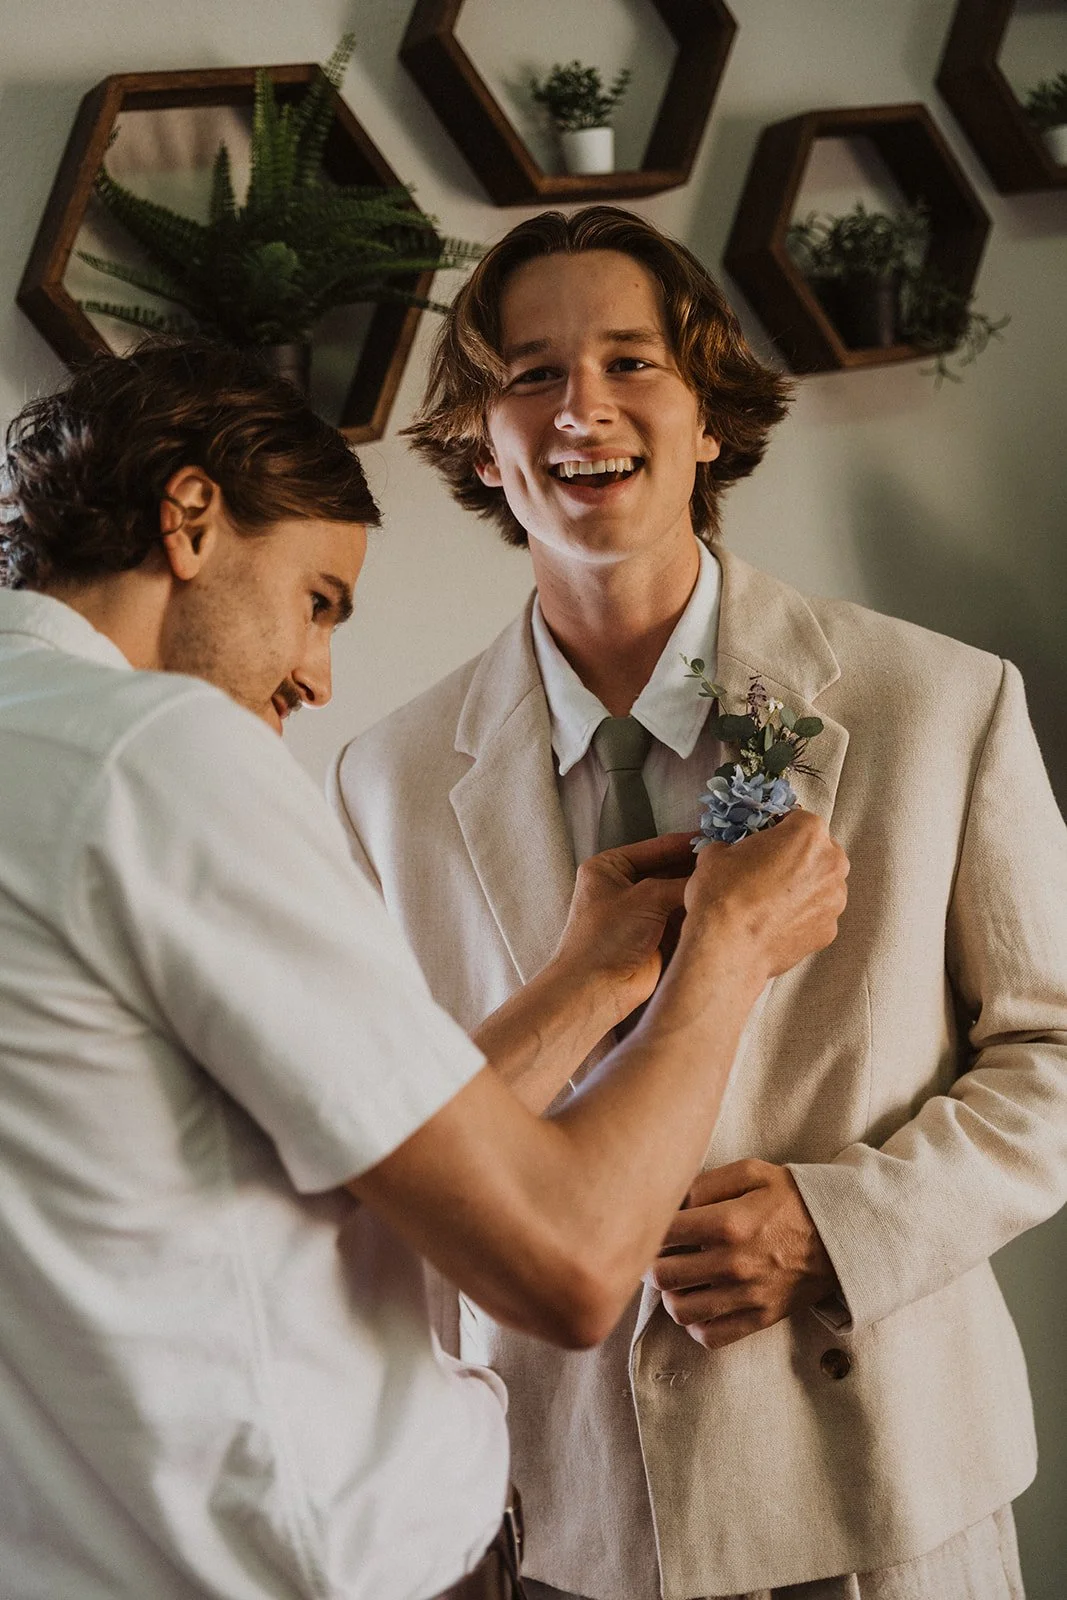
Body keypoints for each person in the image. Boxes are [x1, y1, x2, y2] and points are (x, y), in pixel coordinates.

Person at [0, 338, 847, 1600]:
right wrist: (725, 952)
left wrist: (591, 982)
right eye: (317, 601)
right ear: (189, 518)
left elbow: (313, 1146)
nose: (316, 676)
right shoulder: (158, 757)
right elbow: (563, 1266)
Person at [332, 207, 1067, 1600]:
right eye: (529, 375)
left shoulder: (938, 705)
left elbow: (1054, 1054)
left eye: (629, 363)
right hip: (551, 1517)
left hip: (875, 1495)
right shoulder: (384, 778)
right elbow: (399, 1146)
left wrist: (838, 1221)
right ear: (479, 443)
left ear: (712, 418)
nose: (580, 409)